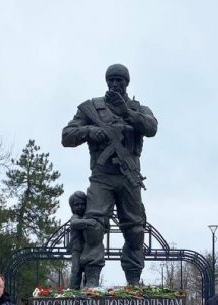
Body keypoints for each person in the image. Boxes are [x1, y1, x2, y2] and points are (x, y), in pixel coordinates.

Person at [61, 63, 158, 286]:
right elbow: (67, 136)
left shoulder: (138, 108)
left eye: (120, 80)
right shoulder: (92, 108)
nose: (115, 84)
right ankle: (92, 281)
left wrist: (127, 113)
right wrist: (89, 131)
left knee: (135, 230)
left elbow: (152, 128)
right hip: (101, 176)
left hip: (129, 177)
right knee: (93, 226)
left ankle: (134, 281)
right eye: (111, 80)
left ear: (127, 82)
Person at [67, 191, 103, 289]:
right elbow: (75, 223)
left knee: (88, 270)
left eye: (83, 204)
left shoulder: (86, 216)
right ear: (72, 207)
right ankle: (73, 291)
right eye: (77, 204)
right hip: (77, 249)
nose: (80, 207)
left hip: (87, 249)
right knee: (76, 271)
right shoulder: (75, 217)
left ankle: (88, 291)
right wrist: (88, 222)